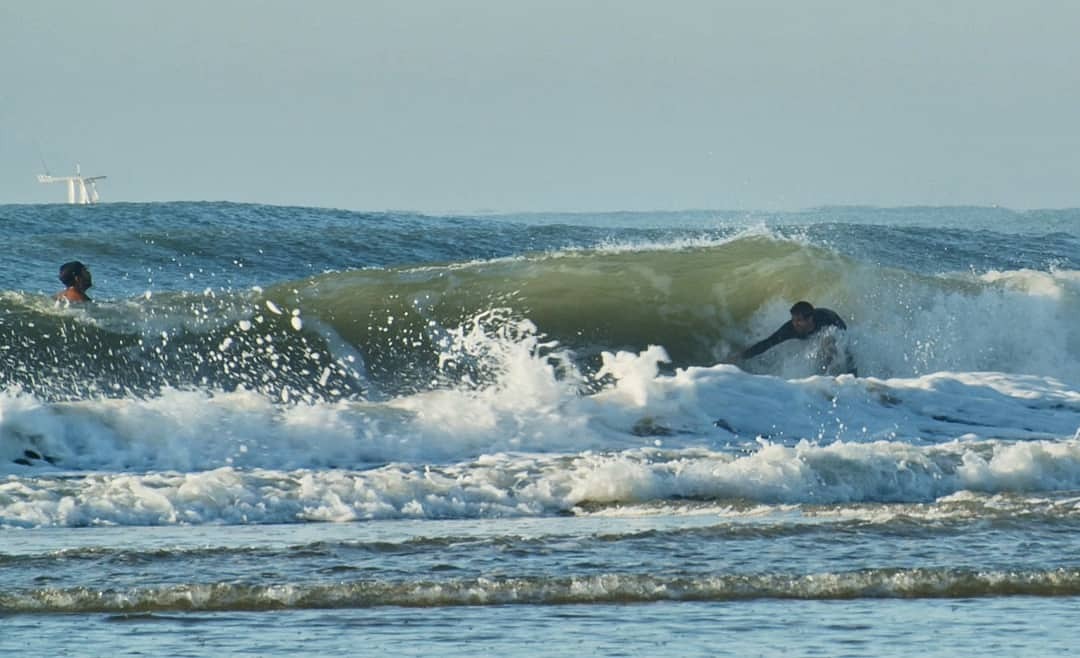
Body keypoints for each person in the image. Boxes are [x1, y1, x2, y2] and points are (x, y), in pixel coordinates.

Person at [729, 301, 853, 373]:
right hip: (818, 329)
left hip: (833, 326)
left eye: (799, 320)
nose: (795, 323)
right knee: (771, 342)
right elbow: (767, 343)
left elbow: (843, 335)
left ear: (810, 319)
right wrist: (741, 356)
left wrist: (843, 349)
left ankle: (839, 375)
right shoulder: (790, 329)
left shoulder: (826, 320)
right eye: (793, 320)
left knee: (829, 345)